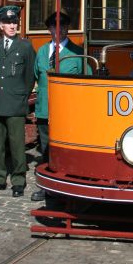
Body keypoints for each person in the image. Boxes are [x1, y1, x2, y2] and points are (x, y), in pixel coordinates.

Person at [31, 11, 90, 202]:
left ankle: (66, 185)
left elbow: (87, 81)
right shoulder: (41, 51)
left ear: (68, 28)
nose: (59, 31)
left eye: (63, 27)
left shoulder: (76, 52)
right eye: (54, 27)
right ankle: (46, 186)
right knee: (46, 148)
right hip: (44, 109)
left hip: (67, 111)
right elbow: (35, 76)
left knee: (64, 150)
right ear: (49, 29)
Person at [0, 6, 35, 197]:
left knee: (17, 144)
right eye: (8, 22)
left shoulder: (25, 46)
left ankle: (18, 180)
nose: (12, 25)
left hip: (16, 102)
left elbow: (29, 75)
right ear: (0, 25)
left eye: (14, 22)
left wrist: (22, 95)